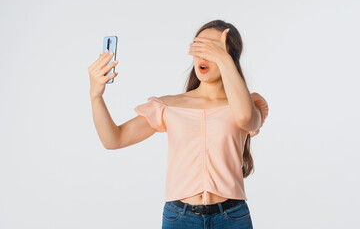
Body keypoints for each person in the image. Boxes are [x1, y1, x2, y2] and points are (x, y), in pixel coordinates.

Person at [88, 19, 269, 229]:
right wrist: (95, 96)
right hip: (181, 218)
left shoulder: (248, 105)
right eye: (198, 47)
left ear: (230, 56)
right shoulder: (169, 105)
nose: (202, 55)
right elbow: (113, 139)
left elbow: (247, 119)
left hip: (232, 217)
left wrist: (225, 60)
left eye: (212, 49)